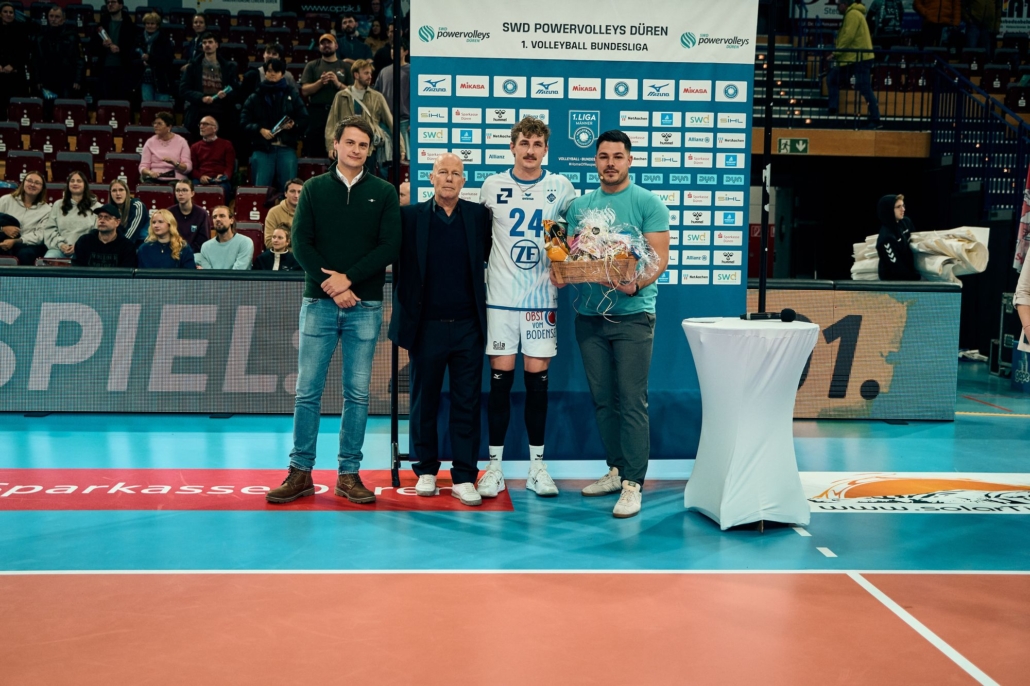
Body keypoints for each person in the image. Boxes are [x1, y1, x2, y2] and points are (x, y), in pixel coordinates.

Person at [265, 115, 400, 506]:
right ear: (335, 146)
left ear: (370, 151)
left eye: (363, 145)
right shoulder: (313, 189)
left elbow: (389, 246)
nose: (356, 149)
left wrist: (348, 280)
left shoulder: (384, 192)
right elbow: (301, 242)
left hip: (365, 305)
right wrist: (332, 286)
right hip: (319, 304)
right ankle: (300, 472)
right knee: (307, 392)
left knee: (357, 394)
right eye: (350, 142)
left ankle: (348, 474)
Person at [558, 130, 670, 519]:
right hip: (590, 317)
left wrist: (635, 283)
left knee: (632, 400)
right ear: (595, 161)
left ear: (629, 160)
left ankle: (633, 484)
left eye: (617, 156)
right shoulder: (580, 207)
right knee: (604, 399)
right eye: (604, 156)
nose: (610, 163)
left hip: (633, 316)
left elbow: (659, 258)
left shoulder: (647, 202)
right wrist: (561, 271)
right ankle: (617, 470)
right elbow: (567, 256)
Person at [476, 117, 576, 500]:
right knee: (499, 383)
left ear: (545, 149)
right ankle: (494, 468)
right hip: (500, 300)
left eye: (537, 144)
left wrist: (561, 265)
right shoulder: (492, 185)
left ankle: (537, 468)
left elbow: (562, 235)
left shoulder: (560, 187)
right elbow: (480, 239)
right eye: (524, 143)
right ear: (512, 147)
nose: (530, 150)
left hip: (540, 300)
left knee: (537, 384)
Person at [389, 153, 492, 507]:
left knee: (467, 403)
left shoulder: (478, 216)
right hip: (425, 327)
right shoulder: (409, 217)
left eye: (456, 173)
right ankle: (426, 470)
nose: (449, 178)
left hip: (468, 327)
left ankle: (464, 476)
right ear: (431, 178)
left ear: (464, 181)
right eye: (443, 172)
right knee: (424, 402)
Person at [241, 58, 309, 191]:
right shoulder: (255, 96)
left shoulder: (292, 95)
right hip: (262, 149)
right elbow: (243, 122)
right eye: (269, 71)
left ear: (282, 74)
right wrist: (259, 129)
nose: (272, 74)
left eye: (276, 71)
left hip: (286, 147)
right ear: (265, 73)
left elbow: (304, 119)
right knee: (260, 191)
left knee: (290, 190)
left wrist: (294, 124)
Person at [324, 59, 392, 164]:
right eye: (366, 73)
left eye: (370, 73)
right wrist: (331, 146)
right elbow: (332, 123)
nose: (370, 76)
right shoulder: (341, 96)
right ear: (356, 75)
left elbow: (391, 123)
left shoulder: (377, 97)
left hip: (368, 150)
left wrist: (401, 148)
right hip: (346, 149)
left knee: (368, 174)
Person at [827, 0, 881, 129]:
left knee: (864, 87)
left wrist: (836, 53)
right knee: (833, 78)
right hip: (853, 57)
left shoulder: (852, 15)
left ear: (845, 4)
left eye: (838, 4)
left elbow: (848, 37)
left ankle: (876, 119)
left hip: (859, 58)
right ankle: (832, 108)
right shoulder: (852, 14)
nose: (837, 7)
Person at [300, 34, 351, 158]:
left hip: (340, 112)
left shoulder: (345, 66)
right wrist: (320, 82)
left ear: (336, 46)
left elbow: (354, 92)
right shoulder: (312, 65)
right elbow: (304, 91)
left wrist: (338, 84)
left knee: (339, 150)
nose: (326, 45)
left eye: (329, 42)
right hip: (317, 113)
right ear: (319, 47)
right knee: (315, 150)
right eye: (323, 43)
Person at [180, 32, 239, 135]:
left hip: (222, 110)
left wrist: (225, 95)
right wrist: (201, 97)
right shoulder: (192, 67)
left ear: (217, 45)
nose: (207, 45)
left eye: (210, 42)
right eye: (204, 42)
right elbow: (183, 90)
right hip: (200, 110)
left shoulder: (229, 67)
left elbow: (236, 90)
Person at [33, 6, 85, 104]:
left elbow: (80, 60)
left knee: (64, 107)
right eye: (51, 16)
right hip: (47, 79)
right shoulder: (40, 37)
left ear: (63, 19)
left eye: (57, 17)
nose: (53, 19)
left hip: (66, 80)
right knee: (48, 109)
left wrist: (78, 80)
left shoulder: (72, 36)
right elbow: (36, 60)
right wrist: (37, 79)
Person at [43, 171, 101, 258]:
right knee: (48, 259)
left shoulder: (96, 206)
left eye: (79, 181)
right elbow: (50, 229)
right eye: (72, 181)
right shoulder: (58, 205)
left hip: (84, 249)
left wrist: (79, 246)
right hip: (59, 249)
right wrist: (61, 245)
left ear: (85, 185)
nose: (75, 183)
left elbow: (97, 232)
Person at [91, 0, 140, 101]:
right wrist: (102, 45)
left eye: (113, 2)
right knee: (106, 100)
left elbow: (134, 47)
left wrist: (121, 50)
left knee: (122, 101)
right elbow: (92, 46)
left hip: (124, 68)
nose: (110, 4)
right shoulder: (101, 25)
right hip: (105, 67)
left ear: (121, 5)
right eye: (108, 2)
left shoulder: (130, 26)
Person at [0, 172, 51, 264]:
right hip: (2, 238)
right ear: (23, 183)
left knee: (26, 254)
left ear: (42, 188)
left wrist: (16, 241)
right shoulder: (5, 200)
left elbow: (40, 235)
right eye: (29, 181)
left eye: (37, 183)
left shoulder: (47, 210)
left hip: (28, 245)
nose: (32, 184)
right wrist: (3, 229)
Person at [373, 40, 409, 162]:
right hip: (385, 122)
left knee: (403, 158)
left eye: (398, 48)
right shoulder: (384, 71)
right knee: (383, 159)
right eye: (392, 49)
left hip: (404, 121)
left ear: (406, 52)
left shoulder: (411, 71)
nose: (393, 51)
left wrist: (413, 121)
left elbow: (417, 98)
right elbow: (376, 94)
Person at [72, 204, 138, 268]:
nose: (102, 221)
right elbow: (77, 269)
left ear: (117, 222)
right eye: (99, 217)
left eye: (107, 218)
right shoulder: (84, 242)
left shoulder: (127, 246)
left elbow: (126, 273)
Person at [876, 194, 921, 280]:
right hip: (893, 281)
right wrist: (917, 278)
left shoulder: (906, 222)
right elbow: (896, 268)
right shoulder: (886, 237)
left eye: (903, 205)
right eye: (898, 207)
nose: (903, 209)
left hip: (910, 273)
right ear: (888, 210)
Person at [190, 116, 236, 199]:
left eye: (205, 124)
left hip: (220, 178)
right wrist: (200, 177)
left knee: (224, 188)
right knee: (192, 187)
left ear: (215, 128)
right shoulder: (195, 147)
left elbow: (230, 166)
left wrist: (224, 176)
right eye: (200, 124)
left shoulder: (226, 144)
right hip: (201, 178)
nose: (201, 127)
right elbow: (193, 169)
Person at [140, 112, 192, 182]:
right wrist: (150, 173)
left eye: (159, 123)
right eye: (154, 123)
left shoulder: (181, 141)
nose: (155, 126)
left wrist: (175, 163)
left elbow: (188, 168)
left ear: (169, 127)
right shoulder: (150, 142)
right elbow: (143, 166)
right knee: (148, 185)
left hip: (176, 178)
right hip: (154, 178)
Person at [196, 205, 253, 270]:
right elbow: (209, 274)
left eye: (222, 216)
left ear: (231, 220)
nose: (217, 219)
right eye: (214, 217)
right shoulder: (206, 247)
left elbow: (238, 272)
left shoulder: (245, 242)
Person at [0, 2, 30, 112]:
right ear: (0, 14)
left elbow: (25, 52)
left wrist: (13, 65)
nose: (8, 14)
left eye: (11, 12)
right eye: (5, 12)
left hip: (16, 74)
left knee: (17, 109)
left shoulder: (21, 29)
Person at [139, 12, 176, 102]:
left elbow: (168, 60)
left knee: (162, 107)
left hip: (161, 79)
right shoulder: (138, 39)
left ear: (157, 25)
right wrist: (141, 61)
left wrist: (150, 59)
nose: (149, 26)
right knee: (147, 107)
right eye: (147, 23)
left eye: (152, 23)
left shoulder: (165, 41)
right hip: (144, 79)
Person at [168, 179, 212, 254]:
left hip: (195, 254)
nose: (180, 194)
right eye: (177, 190)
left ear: (192, 193)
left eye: (184, 190)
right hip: (173, 252)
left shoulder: (202, 214)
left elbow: (203, 241)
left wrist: (186, 252)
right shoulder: (169, 212)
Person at [109, 179, 149, 246]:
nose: (118, 193)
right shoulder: (109, 209)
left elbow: (132, 234)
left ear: (127, 192)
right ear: (110, 193)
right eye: (114, 190)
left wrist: (117, 248)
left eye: (121, 190)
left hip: (140, 244)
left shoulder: (137, 206)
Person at [264, 177, 303, 244]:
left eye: (299, 192)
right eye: (292, 191)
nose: (296, 195)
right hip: (283, 251)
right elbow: (269, 242)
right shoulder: (274, 212)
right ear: (285, 194)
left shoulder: (310, 212)